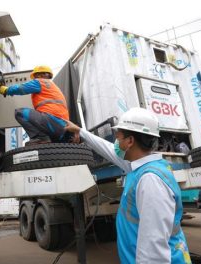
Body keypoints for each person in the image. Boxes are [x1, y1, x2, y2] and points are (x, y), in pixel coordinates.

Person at [65, 107, 191, 264]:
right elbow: (108, 149)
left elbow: (153, 250)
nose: (116, 143)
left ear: (130, 141)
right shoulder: (139, 166)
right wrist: (81, 132)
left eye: (118, 138)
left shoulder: (150, 180)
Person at [0, 65, 77, 145]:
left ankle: (40, 137)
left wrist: (6, 90)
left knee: (19, 112)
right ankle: (44, 138)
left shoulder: (40, 82)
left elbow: (20, 88)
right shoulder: (53, 87)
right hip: (64, 128)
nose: (36, 77)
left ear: (40, 74)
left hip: (51, 121)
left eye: (36, 75)